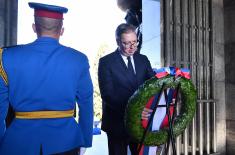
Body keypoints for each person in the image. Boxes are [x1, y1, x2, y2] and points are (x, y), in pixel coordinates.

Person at [0, 2, 93, 155]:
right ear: (61, 30)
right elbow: (86, 103)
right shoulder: (79, 60)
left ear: (34, 27)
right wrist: (85, 140)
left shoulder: (6, 57)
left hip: (18, 143)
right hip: (66, 142)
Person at [98, 23, 155, 155]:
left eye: (134, 42)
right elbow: (108, 95)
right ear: (118, 41)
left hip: (140, 124)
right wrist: (135, 110)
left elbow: (152, 84)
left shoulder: (143, 59)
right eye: (127, 43)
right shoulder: (106, 62)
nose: (132, 47)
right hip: (116, 124)